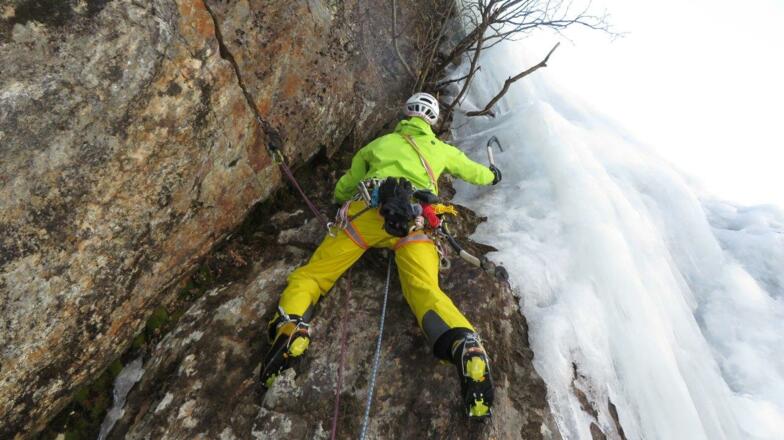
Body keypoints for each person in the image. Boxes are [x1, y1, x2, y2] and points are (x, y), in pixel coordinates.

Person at [261, 92, 502, 418]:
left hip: (366, 213)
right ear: (432, 121)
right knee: (425, 290)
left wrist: (339, 198)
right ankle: (464, 343)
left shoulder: (379, 143)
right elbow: (475, 172)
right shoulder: (441, 149)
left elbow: (346, 185)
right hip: (417, 222)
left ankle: (291, 325)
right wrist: (494, 175)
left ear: (406, 115)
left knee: (313, 276)